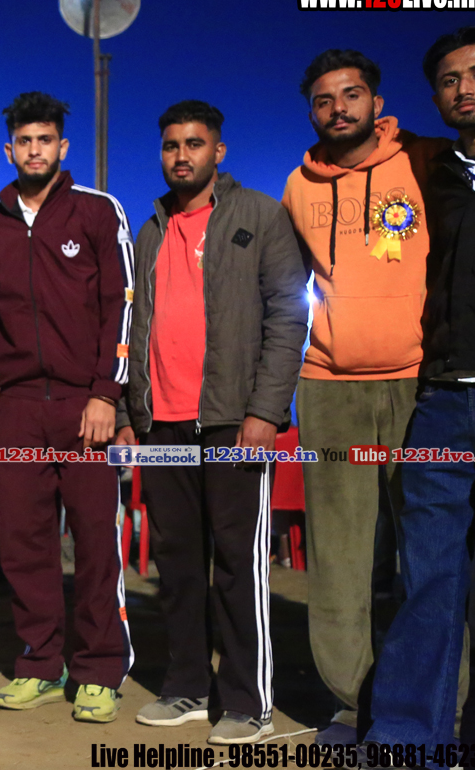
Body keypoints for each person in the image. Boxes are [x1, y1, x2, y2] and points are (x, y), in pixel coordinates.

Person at [117, 100, 307, 744]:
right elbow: (134, 328)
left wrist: (265, 411)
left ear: (218, 151)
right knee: (175, 562)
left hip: (231, 422)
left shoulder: (259, 215)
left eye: (194, 144)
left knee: (236, 563)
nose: (181, 155)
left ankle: (249, 702)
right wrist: (132, 412)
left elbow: (288, 315)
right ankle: (187, 687)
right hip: (161, 425)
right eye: (171, 145)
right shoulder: (150, 230)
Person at [281, 49, 447, 746]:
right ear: (311, 112)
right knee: (340, 560)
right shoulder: (298, 185)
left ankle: (437, 702)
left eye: (351, 94)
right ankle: (353, 703)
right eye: (323, 100)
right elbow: (286, 289)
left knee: (432, 553)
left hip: (420, 383)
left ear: (377, 102)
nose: (338, 108)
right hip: (328, 388)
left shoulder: (426, 162)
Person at [0, 91, 134, 724]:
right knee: (22, 541)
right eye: (24, 141)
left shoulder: (97, 211)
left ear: (63, 146)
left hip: (83, 404)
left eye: (45, 140)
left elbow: (121, 304)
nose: (34, 150)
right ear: (8, 150)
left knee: (94, 541)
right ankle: (40, 662)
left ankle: (99, 670)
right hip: (15, 406)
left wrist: (105, 393)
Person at [366, 24, 475, 754]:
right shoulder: (433, 172)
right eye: (449, 80)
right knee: (427, 577)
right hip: (444, 396)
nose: (464, 89)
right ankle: (406, 741)